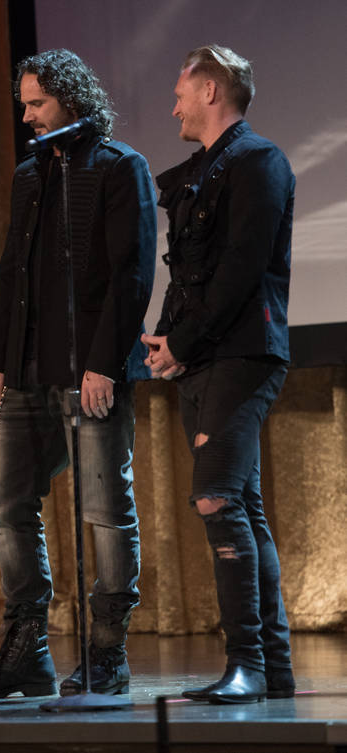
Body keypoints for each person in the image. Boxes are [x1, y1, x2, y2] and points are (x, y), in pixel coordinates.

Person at [0, 49, 156, 699]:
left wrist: (103, 362)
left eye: (36, 103)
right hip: (28, 371)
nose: (26, 115)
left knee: (103, 508)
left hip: (89, 370)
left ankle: (106, 648)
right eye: (24, 103)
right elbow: (12, 272)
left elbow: (130, 274)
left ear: (71, 99)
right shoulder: (31, 176)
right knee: (6, 500)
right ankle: (26, 647)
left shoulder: (121, 169)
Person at [143, 45, 295, 704]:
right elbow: (191, 272)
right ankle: (271, 667)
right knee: (240, 505)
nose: (172, 103)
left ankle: (249, 662)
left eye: (180, 90)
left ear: (210, 90)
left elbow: (241, 268)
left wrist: (183, 339)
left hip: (243, 351)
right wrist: (166, 340)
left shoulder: (258, 161)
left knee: (217, 499)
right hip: (204, 356)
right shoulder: (200, 171)